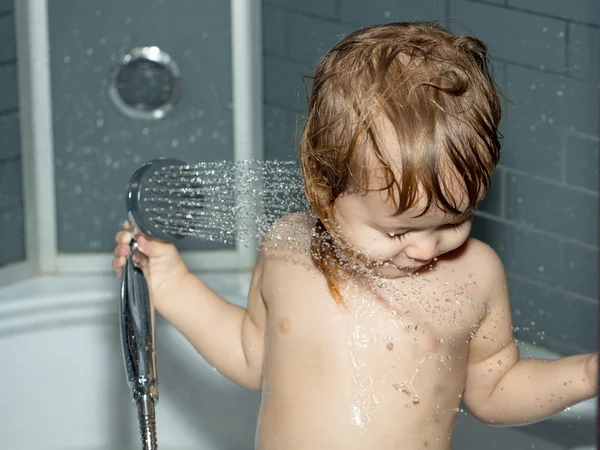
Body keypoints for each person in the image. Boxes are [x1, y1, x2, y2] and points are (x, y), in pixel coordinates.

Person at [113, 22, 597, 450]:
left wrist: (585, 374)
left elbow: (496, 388)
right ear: (325, 192)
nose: (426, 248)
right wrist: (171, 283)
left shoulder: (476, 273)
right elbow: (250, 355)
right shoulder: (287, 249)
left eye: (453, 222)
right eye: (395, 231)